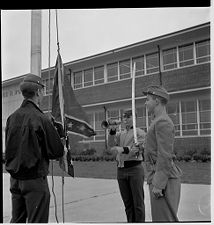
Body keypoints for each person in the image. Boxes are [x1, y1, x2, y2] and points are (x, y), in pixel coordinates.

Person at [4, 73, 64, 223]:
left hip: (15, 180)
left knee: (17, 221)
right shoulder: (41, 118)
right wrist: (56, 132)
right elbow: (56, 151)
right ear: (38, 92)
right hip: (34, 181)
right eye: (43, 90)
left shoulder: (11, 118)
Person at [143, 85, 182, 222]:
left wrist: (159, 184)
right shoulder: (157, 121)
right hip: (158, 176)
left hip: (164, 180)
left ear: (157, 101)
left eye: (147, 99)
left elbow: (165, 155)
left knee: (164, 220)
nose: (145, 103)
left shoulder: (163, 122)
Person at [107, 109, 146, 222]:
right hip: (121, 170)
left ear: (135, 118)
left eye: (128, 117)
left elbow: (136, 150)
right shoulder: (121, 134)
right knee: (128, 205)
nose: (125, 119)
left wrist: (120, 149)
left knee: (138, 204)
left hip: (135, 169)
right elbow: (110, 146)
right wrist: (112, 131)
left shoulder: (140, 133)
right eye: (124, 117)